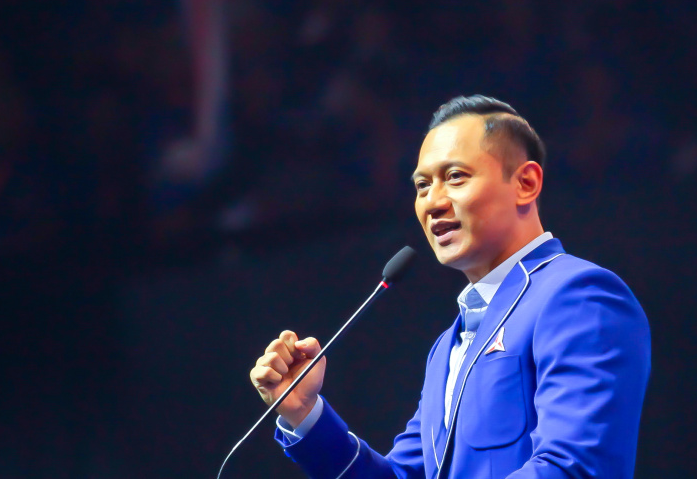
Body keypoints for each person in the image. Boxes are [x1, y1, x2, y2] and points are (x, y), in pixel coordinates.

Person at [249, 95, 651, 478]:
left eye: (455, 177)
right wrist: (304, 412)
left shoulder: (578, 296)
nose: (433, 202)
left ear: (525, 183)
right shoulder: (447, 348)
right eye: (422, 186)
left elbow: (574, 468)